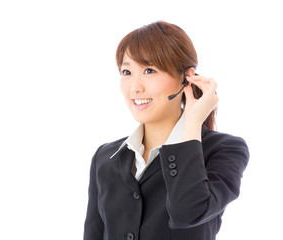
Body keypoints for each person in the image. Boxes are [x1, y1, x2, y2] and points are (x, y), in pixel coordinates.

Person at [83, 21, 249, 240]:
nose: (135, 87)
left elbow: (188, 213)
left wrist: (192, 124)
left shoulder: (223, 150)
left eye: (149, 70)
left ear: (187, 77)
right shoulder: (106, 156)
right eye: (126, 72)